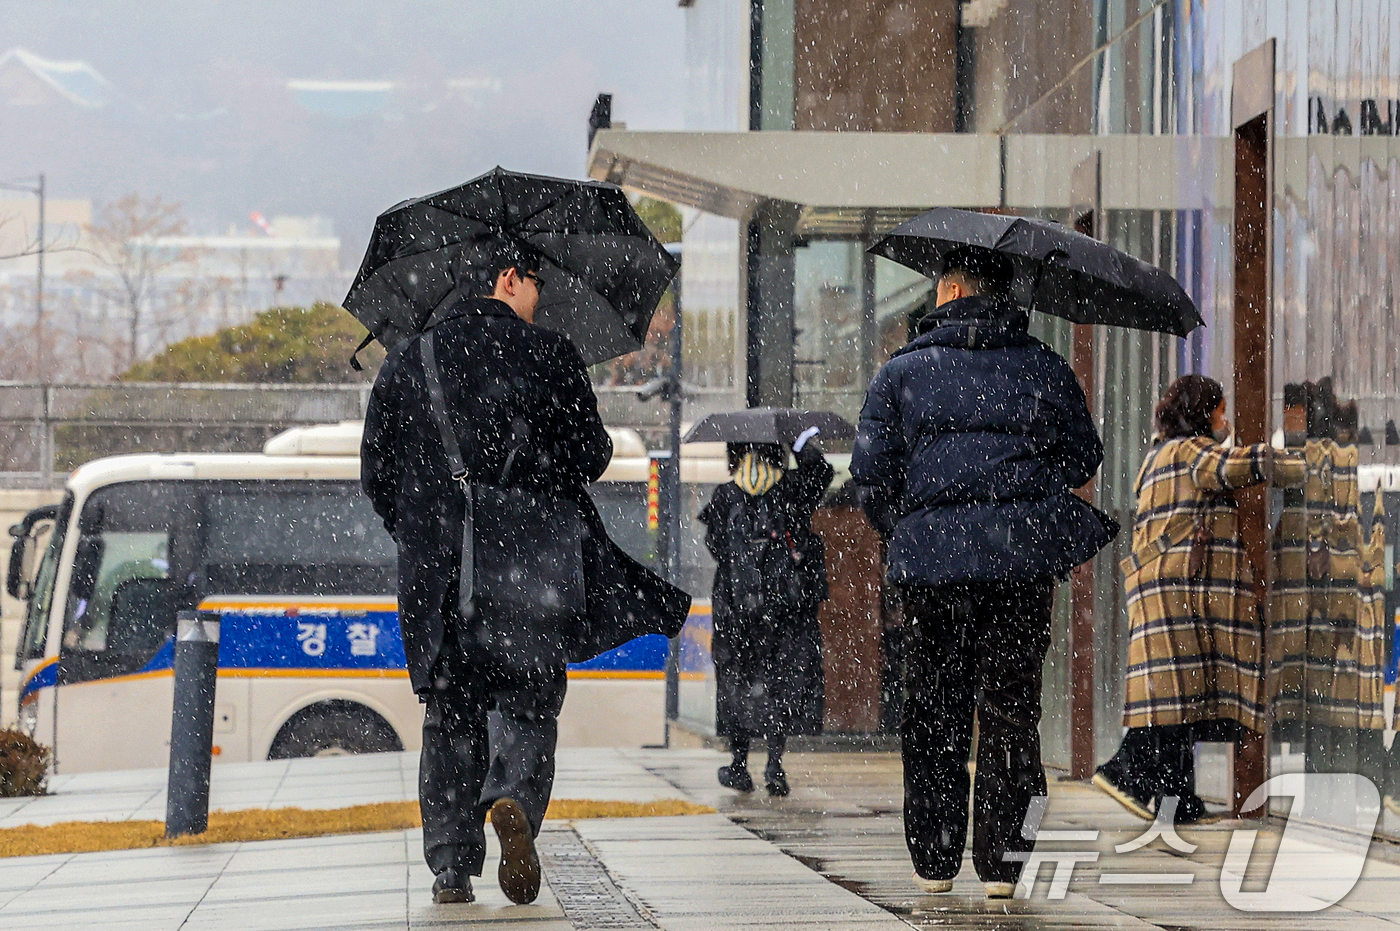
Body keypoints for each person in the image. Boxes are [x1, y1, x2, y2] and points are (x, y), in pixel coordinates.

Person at [361, 240, 690, 906]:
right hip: (531, 565)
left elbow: (377, 473)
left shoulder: (408, 361)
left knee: (450, 713)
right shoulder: (551, 355)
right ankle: (511, 794)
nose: (539, 296)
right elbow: (591, 457)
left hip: (438, 577)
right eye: (535, 279)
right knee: (531, 700)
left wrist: (430, 534)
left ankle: (451, 865)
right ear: (507, 277)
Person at [851, 245, 1114, 900]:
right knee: (1010, 707)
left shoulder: (902, 373)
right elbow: (1083, 457)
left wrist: (911, 529)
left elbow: (870, 475)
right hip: (1020, 564)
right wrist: (1023, 496)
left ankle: (934, 858)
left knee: (934, 707)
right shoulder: (1045, 367)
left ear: (947, 289)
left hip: (932, 570)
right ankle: (1003, 862)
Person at [1095, 375, 1302, 825]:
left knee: (1177, 694)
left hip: (1162, 589)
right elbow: (1232, 468)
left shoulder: (1155, 456)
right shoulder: (1191, 452)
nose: (1225, 421)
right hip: (1178, 591)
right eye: (1220, 411)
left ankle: (1177, 800)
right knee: (1176, 696)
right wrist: (1296, 462)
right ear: (1202, 413)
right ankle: (1124, 772)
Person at [699, 428, 833, 797]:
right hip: (785, 609)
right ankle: (774, 763)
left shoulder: (726, 495)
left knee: (738, 682)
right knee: (779, 682)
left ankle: (739, 764)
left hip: (738, 609)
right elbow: (822, 474)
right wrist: (800, 444)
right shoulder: (791, 489)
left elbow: (715, 547)